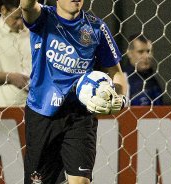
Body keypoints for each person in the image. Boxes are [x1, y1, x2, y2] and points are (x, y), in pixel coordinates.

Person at [20, 0, 127, 183]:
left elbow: (116, 72)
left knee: (81, 180)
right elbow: (27, 6)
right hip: (42, 113)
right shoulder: (44, 18)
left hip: (79, 114)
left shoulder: (96, 28)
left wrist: (120, 98)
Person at [123, 34, 163, 106]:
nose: (146, 56)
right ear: (129, 53)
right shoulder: (123, 80)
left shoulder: (153, 81)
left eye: (148, 51)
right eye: (140, 52)